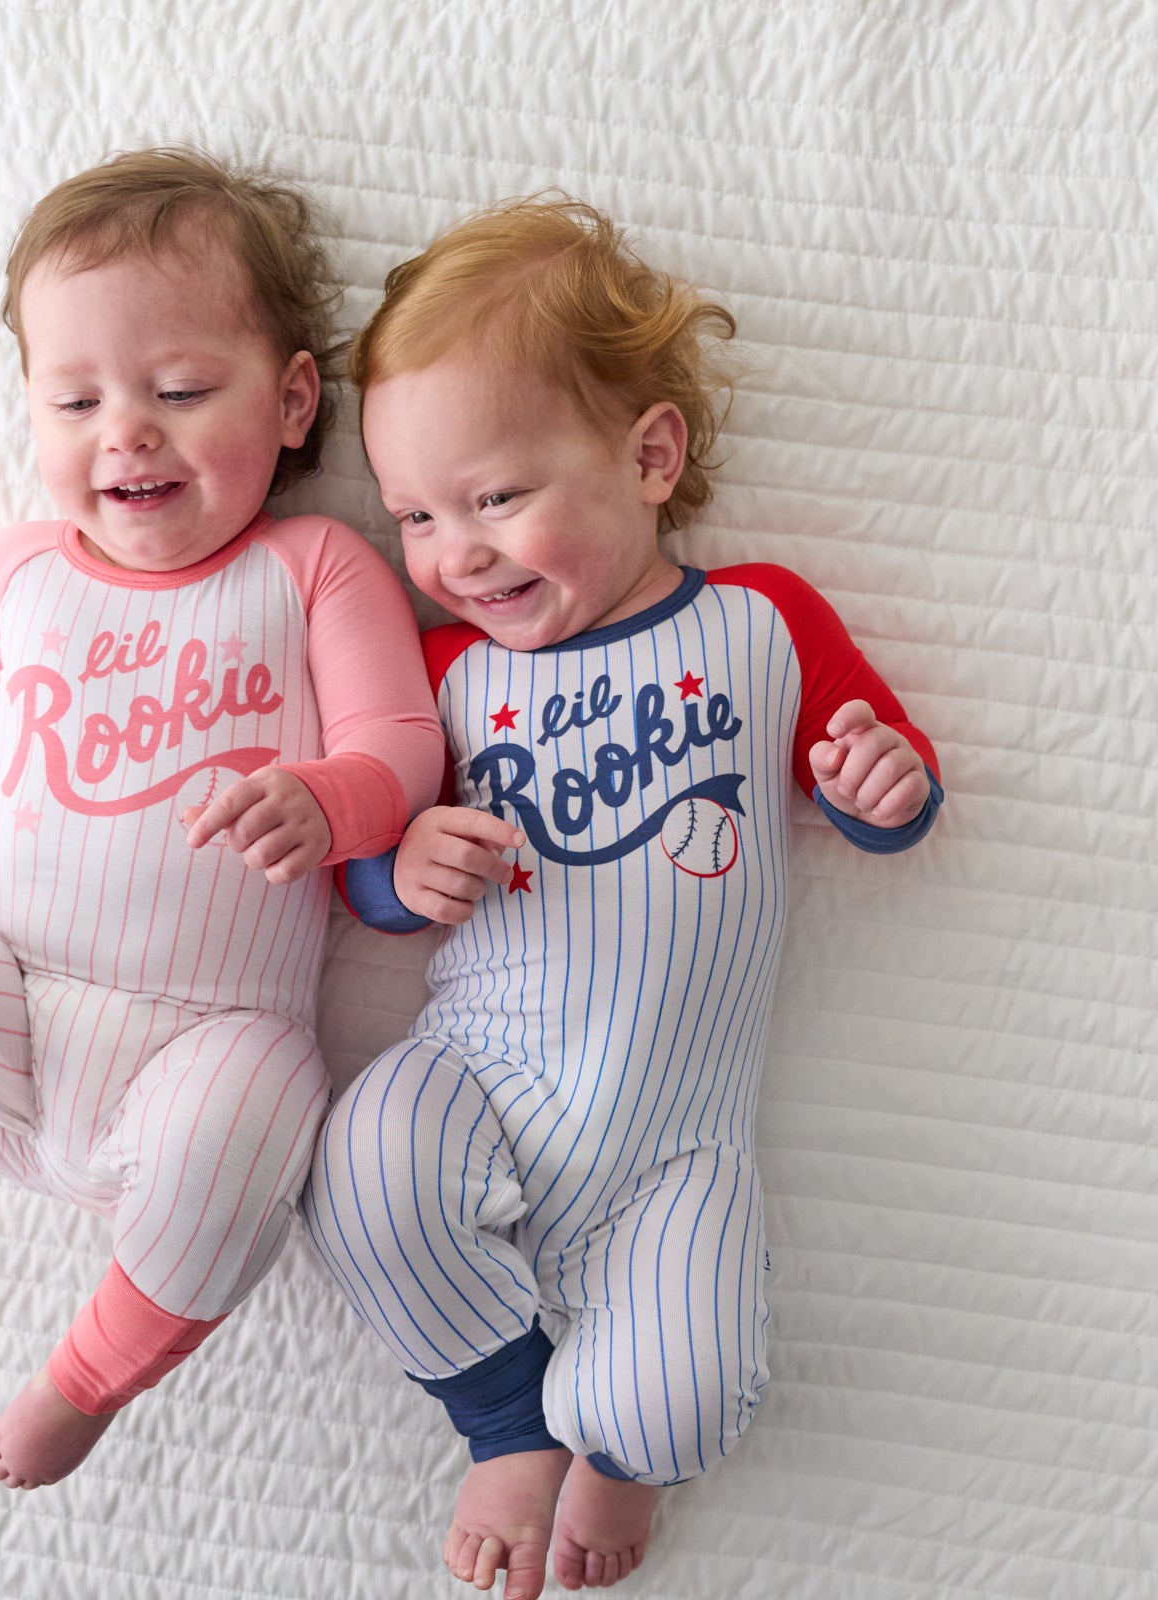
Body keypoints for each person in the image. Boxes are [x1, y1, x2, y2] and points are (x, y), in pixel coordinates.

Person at [0, 147, 444, 1492]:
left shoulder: (315, 568)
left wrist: (332, 800)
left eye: (179, 390)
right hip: (12, 1008)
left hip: (204, 1048)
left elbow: (402, 747)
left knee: (264, 1116)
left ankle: (84, 1378)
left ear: (295, 401)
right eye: (76, 397)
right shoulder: (21, 577)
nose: (127, 430)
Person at [300, 196, 942, 1597]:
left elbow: (875, 777)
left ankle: (611, 1446)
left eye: (496, 497)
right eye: (414, 513)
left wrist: (882, 784)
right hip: (479, 1073)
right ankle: (508, 1419)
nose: (455, 552)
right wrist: (397, 871)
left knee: (682, 1403)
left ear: (651, 455)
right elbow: (363, 851)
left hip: (676, 1152)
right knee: (357, 1166)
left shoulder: (763, 621)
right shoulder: (444, 667)